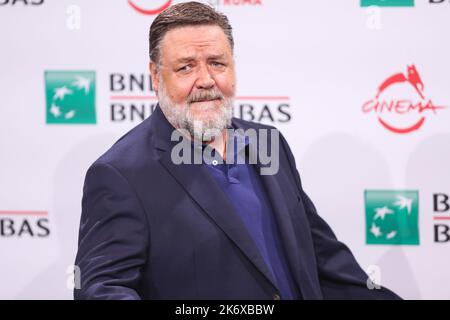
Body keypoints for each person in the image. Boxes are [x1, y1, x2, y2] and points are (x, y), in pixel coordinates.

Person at [74, 1, 400, 300]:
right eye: (185, 67)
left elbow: (326, 263)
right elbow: (104, 290)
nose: (205, 80)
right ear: (155, 77)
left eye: (217, 63)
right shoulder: (121, 174)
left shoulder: (268, 142)